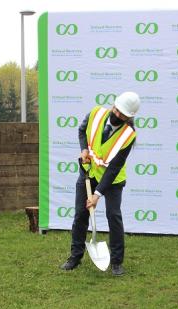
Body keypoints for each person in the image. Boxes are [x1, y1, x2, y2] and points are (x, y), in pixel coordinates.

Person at [60, 91, 140, 276]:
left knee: (113, 215)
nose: (118, 115)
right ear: (114, 105)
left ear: (130, 117)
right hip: (89, 172)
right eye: (117, 110)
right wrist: (84, 149)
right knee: (81, 214)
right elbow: (82, 130)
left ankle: (117, 262)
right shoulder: (96, 114)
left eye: (123, 115)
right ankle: (75, 257)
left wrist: (97, 194)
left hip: (112, 180)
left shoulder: (128, 135)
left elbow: (114, 167)